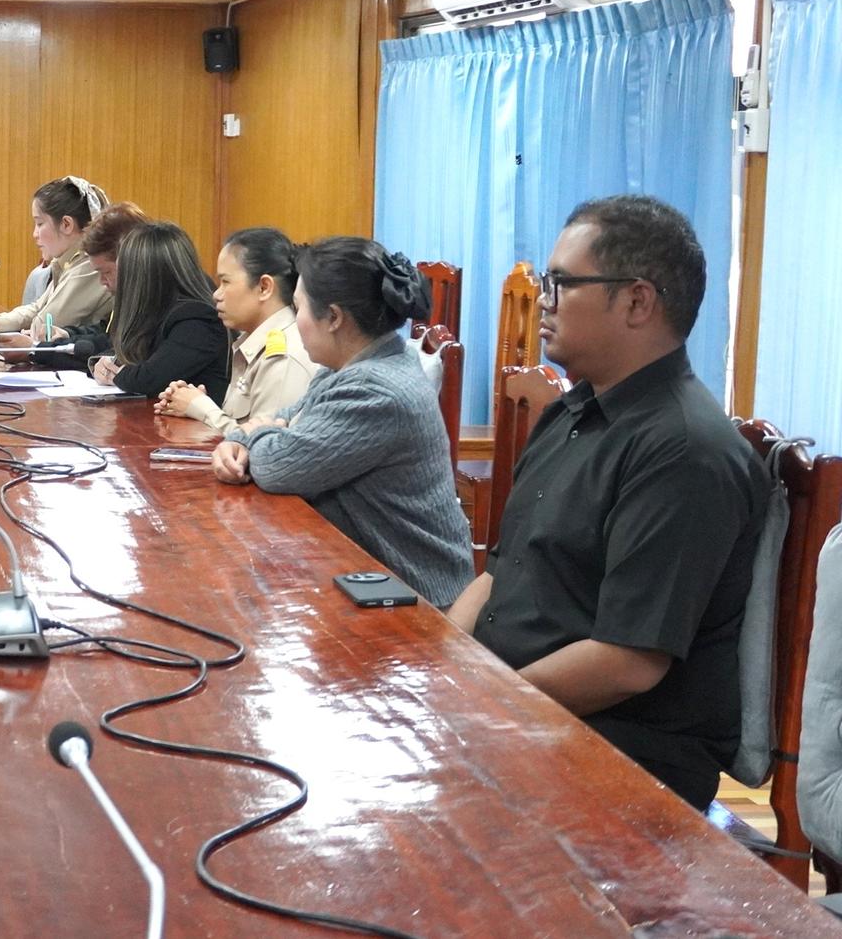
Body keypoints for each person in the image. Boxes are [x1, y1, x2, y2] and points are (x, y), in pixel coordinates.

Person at [446, 196, 769, 810]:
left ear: (637, 301)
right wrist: (443, 662)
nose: (543, 300)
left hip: (617, 755)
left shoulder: (684, 450)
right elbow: (499, 573)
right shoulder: (570, 413)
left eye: (562, 283)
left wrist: (481, 704)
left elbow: (627, 662)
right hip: (518, 712)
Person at [212, 237, 472, 607]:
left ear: (333, 317)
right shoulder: (350, 365)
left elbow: (276, 467)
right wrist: (240, 438)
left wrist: (259, 434)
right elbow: (281, 420)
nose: (293, 319)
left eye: (297, 307)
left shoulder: (377, 390)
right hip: (366, 575)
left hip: (416, 599)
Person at [156, 227, 315, 434]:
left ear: (264, 287)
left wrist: (202, 409)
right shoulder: (251, 341)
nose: (216, 294)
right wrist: (194, 407)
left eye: (226, 282)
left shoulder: (283, 357)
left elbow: (265, 448)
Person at [87, 222, 231, 400]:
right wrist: (104, 364)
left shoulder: (198, 319)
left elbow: (149, 379)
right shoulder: (155, 311)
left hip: (198, 426)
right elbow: (123, 350)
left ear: (144, 276)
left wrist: (116, 374)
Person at [0, 176, 114, 335]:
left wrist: (4, 329)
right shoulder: (67, 261)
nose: (35, 234)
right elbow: (36, 309)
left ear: (66, 224)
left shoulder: (89, 265)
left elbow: (45, 324)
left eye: (40, 223)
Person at [24, 201, 149, 369]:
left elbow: (116, 354)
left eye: (106, 272)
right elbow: (106, 335)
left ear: (133, 260)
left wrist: (35, 351)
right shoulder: (131, 295)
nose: (102, 281)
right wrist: (66, 335)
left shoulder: (162, 304)